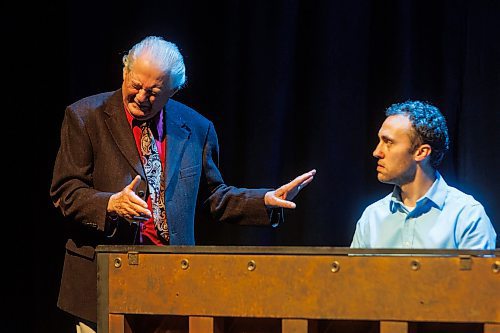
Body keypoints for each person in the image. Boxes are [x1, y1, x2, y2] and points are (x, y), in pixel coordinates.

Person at [50, 35, 316, 332]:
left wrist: (264, 200)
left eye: (154, 92)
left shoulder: (197, 128)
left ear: (173, 91)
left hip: (173, 283)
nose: (141, 97)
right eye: (136, 86)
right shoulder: (85, 117)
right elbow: (66, 191)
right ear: (125, 72)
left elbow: (214, 197)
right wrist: (111, 204)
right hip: (102, 282)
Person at [350, 100, 496, 249]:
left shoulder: (466, 215)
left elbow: (477, 273)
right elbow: (353, 272)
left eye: (388, 142)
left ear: (421, 152)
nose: (376, 152)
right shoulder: (372, 217)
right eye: (380, 141)